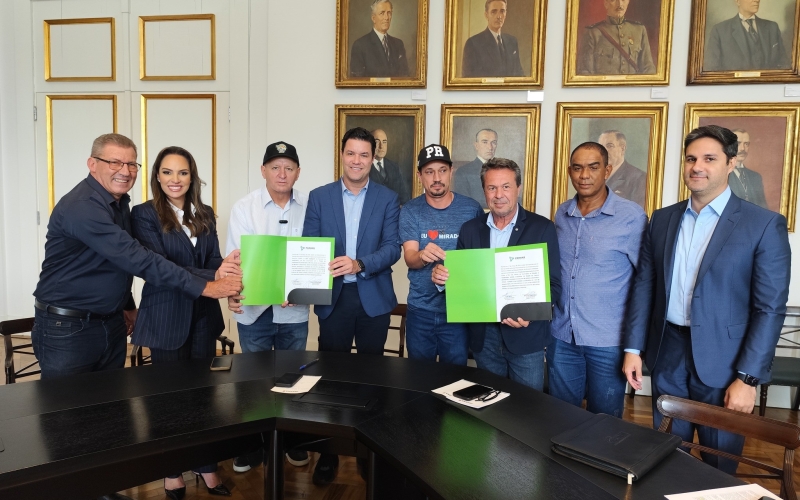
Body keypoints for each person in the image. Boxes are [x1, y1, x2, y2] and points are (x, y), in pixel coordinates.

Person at [31, 133, 240, 500]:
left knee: (106, 415)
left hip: (109, 323)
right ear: (92, 164)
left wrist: (127, 304)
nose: (124, 170)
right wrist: (210, 286)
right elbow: (138, 259)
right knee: (66, 419)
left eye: (130, 163)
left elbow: (113, 265)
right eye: (115, 162)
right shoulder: (84, 206)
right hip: (67, 328)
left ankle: (101, 488)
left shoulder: (119, 204)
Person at [623, 125, 791, 473]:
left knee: (719, 466)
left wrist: (747, 379)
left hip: (726, 365)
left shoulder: (763, 224)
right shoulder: (663, 219)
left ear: (731, 163)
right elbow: (645, 285)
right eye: (691, 159)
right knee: (667, 459)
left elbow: (769, 309)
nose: (697, 166)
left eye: (709, 159)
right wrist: (633, 348)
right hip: (668, 353)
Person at [131, 146, 235, 498]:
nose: (175, 179)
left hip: (204, 316)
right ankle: (171, 471)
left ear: (192, 177)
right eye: (167, 172)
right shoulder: (143, 214)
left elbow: (214, 259)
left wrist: (228, 268)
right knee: (167, 400)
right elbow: (159, 266)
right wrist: (215, 277)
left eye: (182, 172)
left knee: (204, 396)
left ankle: (206, 466)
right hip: (166, 317)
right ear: (157, 177)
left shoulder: (203, 214)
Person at [302, 127, 400, 485]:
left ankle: (368, 453)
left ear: (373, 158)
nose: (356, 160)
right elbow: (310, 244)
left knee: (372, 380)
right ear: (341, 155)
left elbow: (392, 248)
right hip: (334, 300)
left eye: (364, 154)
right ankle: (328, 454)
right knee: (331, 380)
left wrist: (359, 264)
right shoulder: (320, 196)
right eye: (351, 153)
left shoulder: (388, 198)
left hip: (373, 298)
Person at [432, 158, 561, 390]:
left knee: (527, 404)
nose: (499, 194)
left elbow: (554, 285)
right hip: (485, 338)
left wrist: (530, 313)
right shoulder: (470, 229)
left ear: (518, 188)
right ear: (484, 191)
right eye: (492, 187)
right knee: (489, 402)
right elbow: (462, 280)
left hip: (525, 335)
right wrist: (442, 279)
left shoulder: (542, 228)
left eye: (506, 186)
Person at [225, 141, 311, 473]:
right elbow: (236, 261)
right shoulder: (244, 208)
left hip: (294, 310)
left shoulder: (310, 207)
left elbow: (314, 255)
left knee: (293, 378)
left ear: (298, 172)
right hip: (254, 311)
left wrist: (303, 285)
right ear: (263, 171)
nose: (282, 174)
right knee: (254, 381)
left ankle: (291, 440)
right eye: (275, 167)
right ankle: (254, 444)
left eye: (289, 168)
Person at [548, 142, 646, 418]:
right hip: (562, 337)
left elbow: (644, 283)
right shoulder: (562, 213)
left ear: (607, 170)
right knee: (560, 418)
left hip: (608, 342)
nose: (584, 175)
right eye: (577, 168)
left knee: (604, 423)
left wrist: (634, 346)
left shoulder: (631, 217)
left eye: (593, 167)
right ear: (569, 171)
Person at [399, 144, 483, 365]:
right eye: (429, 172)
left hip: (457, 310)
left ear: (451, 172)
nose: (437, 178)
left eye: (442, 170)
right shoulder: (410, 210)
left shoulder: (471, 209)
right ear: (420, 176)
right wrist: (422, 255)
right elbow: (409, 257)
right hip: (420, 310)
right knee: (419, 377)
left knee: (455, 378)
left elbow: (478, 260)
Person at [704, 0, 789, 72]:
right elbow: (712, 70)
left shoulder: (772, 27)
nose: (757, 0)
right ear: (738, 1)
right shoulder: (720, 31)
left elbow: (784, 65)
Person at [577, 0, 656, 75]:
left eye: (623, 0)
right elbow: (585, 72)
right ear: (606, 3)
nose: (620, 5)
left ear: (628, 2)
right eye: (614, 0)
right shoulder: (593, 33)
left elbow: (648, 68)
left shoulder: (639, 30)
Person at [462, 0, 524, 78]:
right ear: (486, 15)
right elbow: (468, 79)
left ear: (506, 13)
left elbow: (519, 74)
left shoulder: (512, 42)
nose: (499, 16)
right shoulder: (473, 43)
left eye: (502, 11)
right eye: (494, 12)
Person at [350, 0, 409, 78]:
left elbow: (404, 77)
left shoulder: (398, 44)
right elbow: (357, 81)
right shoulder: (360, 45)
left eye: (389, 13)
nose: (386, 17)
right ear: (373, 18)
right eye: (382, 13)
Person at [598, 130, 646, 209]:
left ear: (622, 149)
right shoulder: (594, 175)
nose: (604, 151)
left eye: (610, 146)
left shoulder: (639, 178)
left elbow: (637, 212)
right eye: (601, 147)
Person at [452, 128, 497, 209]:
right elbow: (463, 205)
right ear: (476, 146)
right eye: (485, 142)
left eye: (493, 142)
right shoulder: (463, 172)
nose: (490, 147)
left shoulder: (502, 171)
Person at [727, 128, 767, 209]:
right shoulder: (721, 174)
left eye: (746, 144)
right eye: (738, 143)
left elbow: (763, 208)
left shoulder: (755, 177)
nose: (742, 148)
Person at [370, 128, 410, 205]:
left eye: (384, 142)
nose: (381, 146)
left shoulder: (394, 167)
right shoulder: (364, 167)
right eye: (377, 142)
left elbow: (404, 199)